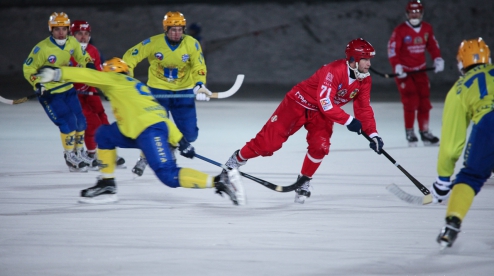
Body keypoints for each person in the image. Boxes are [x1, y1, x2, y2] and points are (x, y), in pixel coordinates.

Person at [35, 58, 246, 205]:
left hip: (148, 132)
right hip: (142, 129)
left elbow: (88, 75)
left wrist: (57, 73)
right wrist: (181, 141)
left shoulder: (115, 80)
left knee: (168, 176)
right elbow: (160, 116)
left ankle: (218, 181)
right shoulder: (138, 86)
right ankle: (107, 184)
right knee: (104, 135)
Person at [222, 38, 384, 204]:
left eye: (369, 59)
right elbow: (326, 103)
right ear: (353, 59)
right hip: (298, 103)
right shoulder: (333, 71)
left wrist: (373, 134)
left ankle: (304, 180)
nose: (369, 64)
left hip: (322, 114)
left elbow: (363, 109)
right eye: (365, 59)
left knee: (320, 147)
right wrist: (348, 120)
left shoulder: (365, 80)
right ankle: (235, 161)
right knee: (268, 145)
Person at [122, 11, 210, 177]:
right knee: (154, 126)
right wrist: (127, 78)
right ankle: (146, 157)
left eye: (179, 29)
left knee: (190, 134)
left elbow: (199, 66)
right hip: (157, 90)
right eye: (173, 30)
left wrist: (199, 85)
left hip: (183, 92)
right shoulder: (154, 43)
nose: (177, 33)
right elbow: (130, 57)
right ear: (166, 29)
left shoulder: (192, 44)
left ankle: (170, 147)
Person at [431, 38, 494, 249]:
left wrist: (443, 179)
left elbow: (451, 144)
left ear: (461, 63)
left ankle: (452, 224)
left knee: (471, 176)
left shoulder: (459, 88)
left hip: (489, 122)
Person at [23, 12, 95, 172]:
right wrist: (38, 84)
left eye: (64, 29)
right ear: (51, 30)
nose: (61, 32)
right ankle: (69, 156)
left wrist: (89, 64)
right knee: (67, 121)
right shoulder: (41, 49)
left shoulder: (71, 42)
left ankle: (78, 151)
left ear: (69, 29)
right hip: (50, 93)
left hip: (67, 89)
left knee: (81, 121)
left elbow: (82, 55)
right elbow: (28, 69)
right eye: (57, 29)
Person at [69, 20, 126, 170]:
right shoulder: (67, 51)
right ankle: (91, 153)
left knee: (102, 115)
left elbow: (100, 73)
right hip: (76, 94)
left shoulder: (93, 50)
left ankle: (108, 150)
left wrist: (108, 89)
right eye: (79, 34)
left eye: (86, 34)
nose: (83, 37)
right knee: (92, 121)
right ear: (72, 35)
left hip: (90, 91)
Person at [387, 0, 444, 147]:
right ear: (407, 13)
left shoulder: (427, 28)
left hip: (420, 70)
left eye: (417, 11)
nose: (414, 14)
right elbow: (393, 50)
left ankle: (424, 132)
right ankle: (410, 131)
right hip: (405, 72)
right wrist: (397, 66)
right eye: (412, 12)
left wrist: (437, 58)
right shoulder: (400, 30)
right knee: (411, 101)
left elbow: (432, 45)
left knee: (424, 102)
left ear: (421, 13)